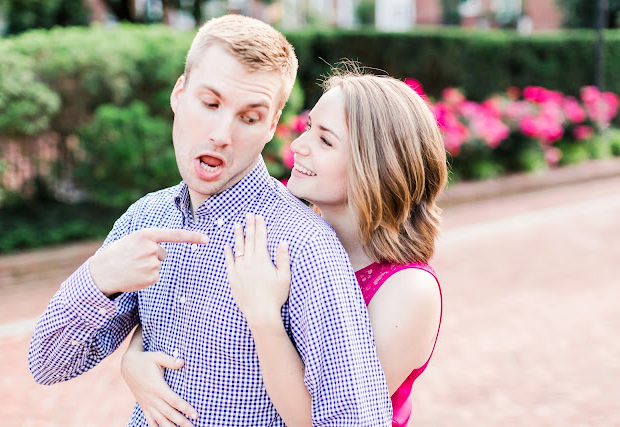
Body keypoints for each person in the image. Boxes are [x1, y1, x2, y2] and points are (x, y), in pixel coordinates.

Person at [28, 16, 392, 426]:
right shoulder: (145, 218)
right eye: (211, 103)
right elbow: (47, 364)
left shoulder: (303, 244)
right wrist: (97, 279)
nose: (221, 133)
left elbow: (356, 418)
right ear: (179, 95)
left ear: (271, 126)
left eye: (249, 117)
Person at [122, 70, 448, 426]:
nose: (297, 145)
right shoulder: (288, 235)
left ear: (377, 165)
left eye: (325, 141)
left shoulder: (408, 290)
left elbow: (324, 419)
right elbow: (199, 307)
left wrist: (265, 318)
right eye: (308, 128)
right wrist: (134, 359)